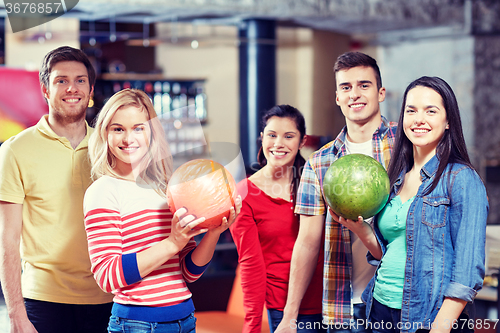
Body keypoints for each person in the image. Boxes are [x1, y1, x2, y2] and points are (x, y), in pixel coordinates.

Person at [335, 76, 488, 333]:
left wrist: (439, 329)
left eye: (431, 111)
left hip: (428, 319)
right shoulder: (394, 177)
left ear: (448, 120)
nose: (419, 119)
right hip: (380, 309)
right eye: (411, 110)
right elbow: (392, 253)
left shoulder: (462, 179)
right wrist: (362, 231)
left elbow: (467, 272)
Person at [83, 88, 242, 333]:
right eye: (118, 129)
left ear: (151, 133)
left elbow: (188, 272)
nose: (128, 138)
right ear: (105, 133)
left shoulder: (164, 188)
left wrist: (214, 233)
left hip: (186, 317)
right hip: (137, 324)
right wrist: (172, 242)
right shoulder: (102, 191)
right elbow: (107, 276)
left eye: (138, 128)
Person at [275, 51, 398, 333]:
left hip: (399, 304)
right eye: (346, 87)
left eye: (363, 85)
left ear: (380, 93)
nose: (354, 94)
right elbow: (307, 242)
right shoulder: (319, 162)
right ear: (337, 97)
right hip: (343, 309)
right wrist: (289, 316)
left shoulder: (406, 146)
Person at [0, 46, 114, 333]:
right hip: (43, 300)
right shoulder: (15, 150)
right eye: (61, 80)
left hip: (108, 296)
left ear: (90, 91)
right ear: (45, 90)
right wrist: (15, 314)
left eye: (80, 80)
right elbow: (7, 240)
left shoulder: (110, 149)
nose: (71, 88)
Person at [230, 105, 325, 333]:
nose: (278, 143)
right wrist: (252, 326)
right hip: (283, 308)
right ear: (262, 138)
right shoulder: (244, 193)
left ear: (302, 142)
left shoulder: (317, 183)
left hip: (332, 301)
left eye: (289, 136)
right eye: (272, 135)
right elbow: (251, 264)